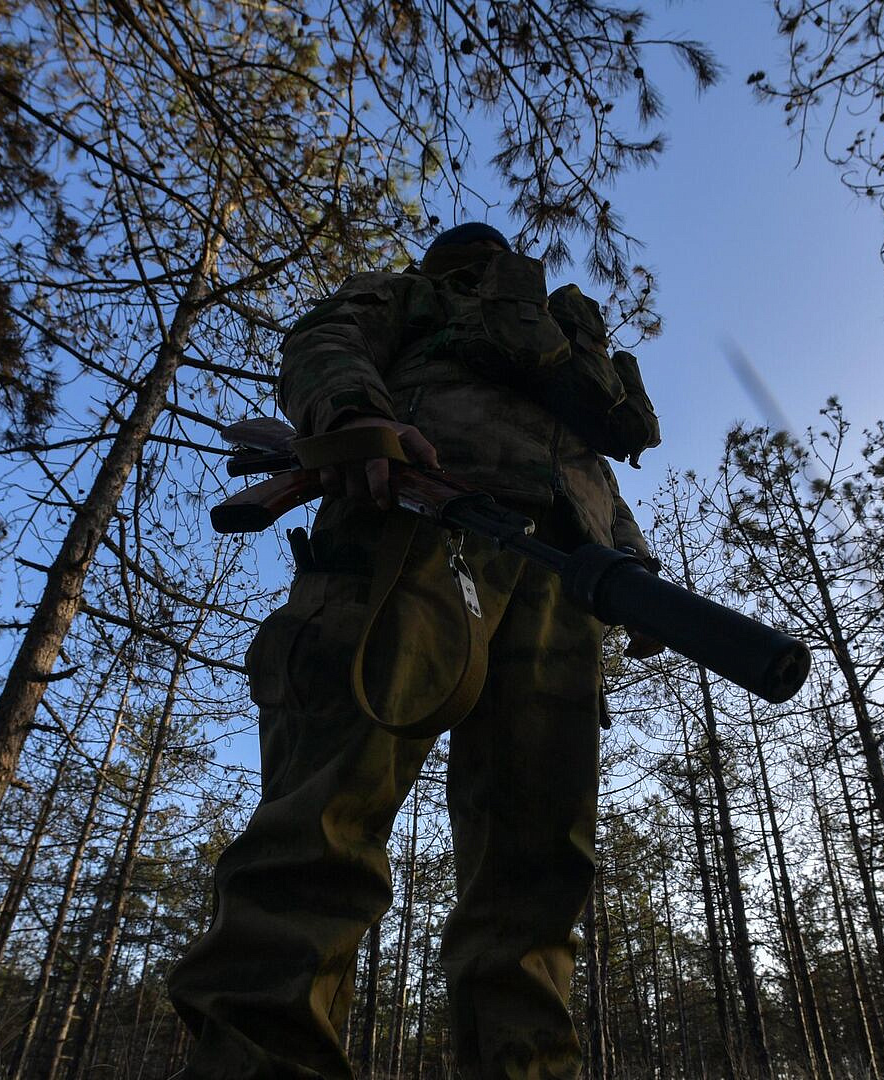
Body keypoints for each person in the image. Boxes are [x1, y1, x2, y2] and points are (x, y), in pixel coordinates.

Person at [167, 223, 661, 1079]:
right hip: (413, 525)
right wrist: (357, 416)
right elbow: (324, 342)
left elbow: (589, 470)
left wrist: (637, 567)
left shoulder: (554, 351)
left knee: (538, 866)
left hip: (564, 578)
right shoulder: (409, 296)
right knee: (328, 815)